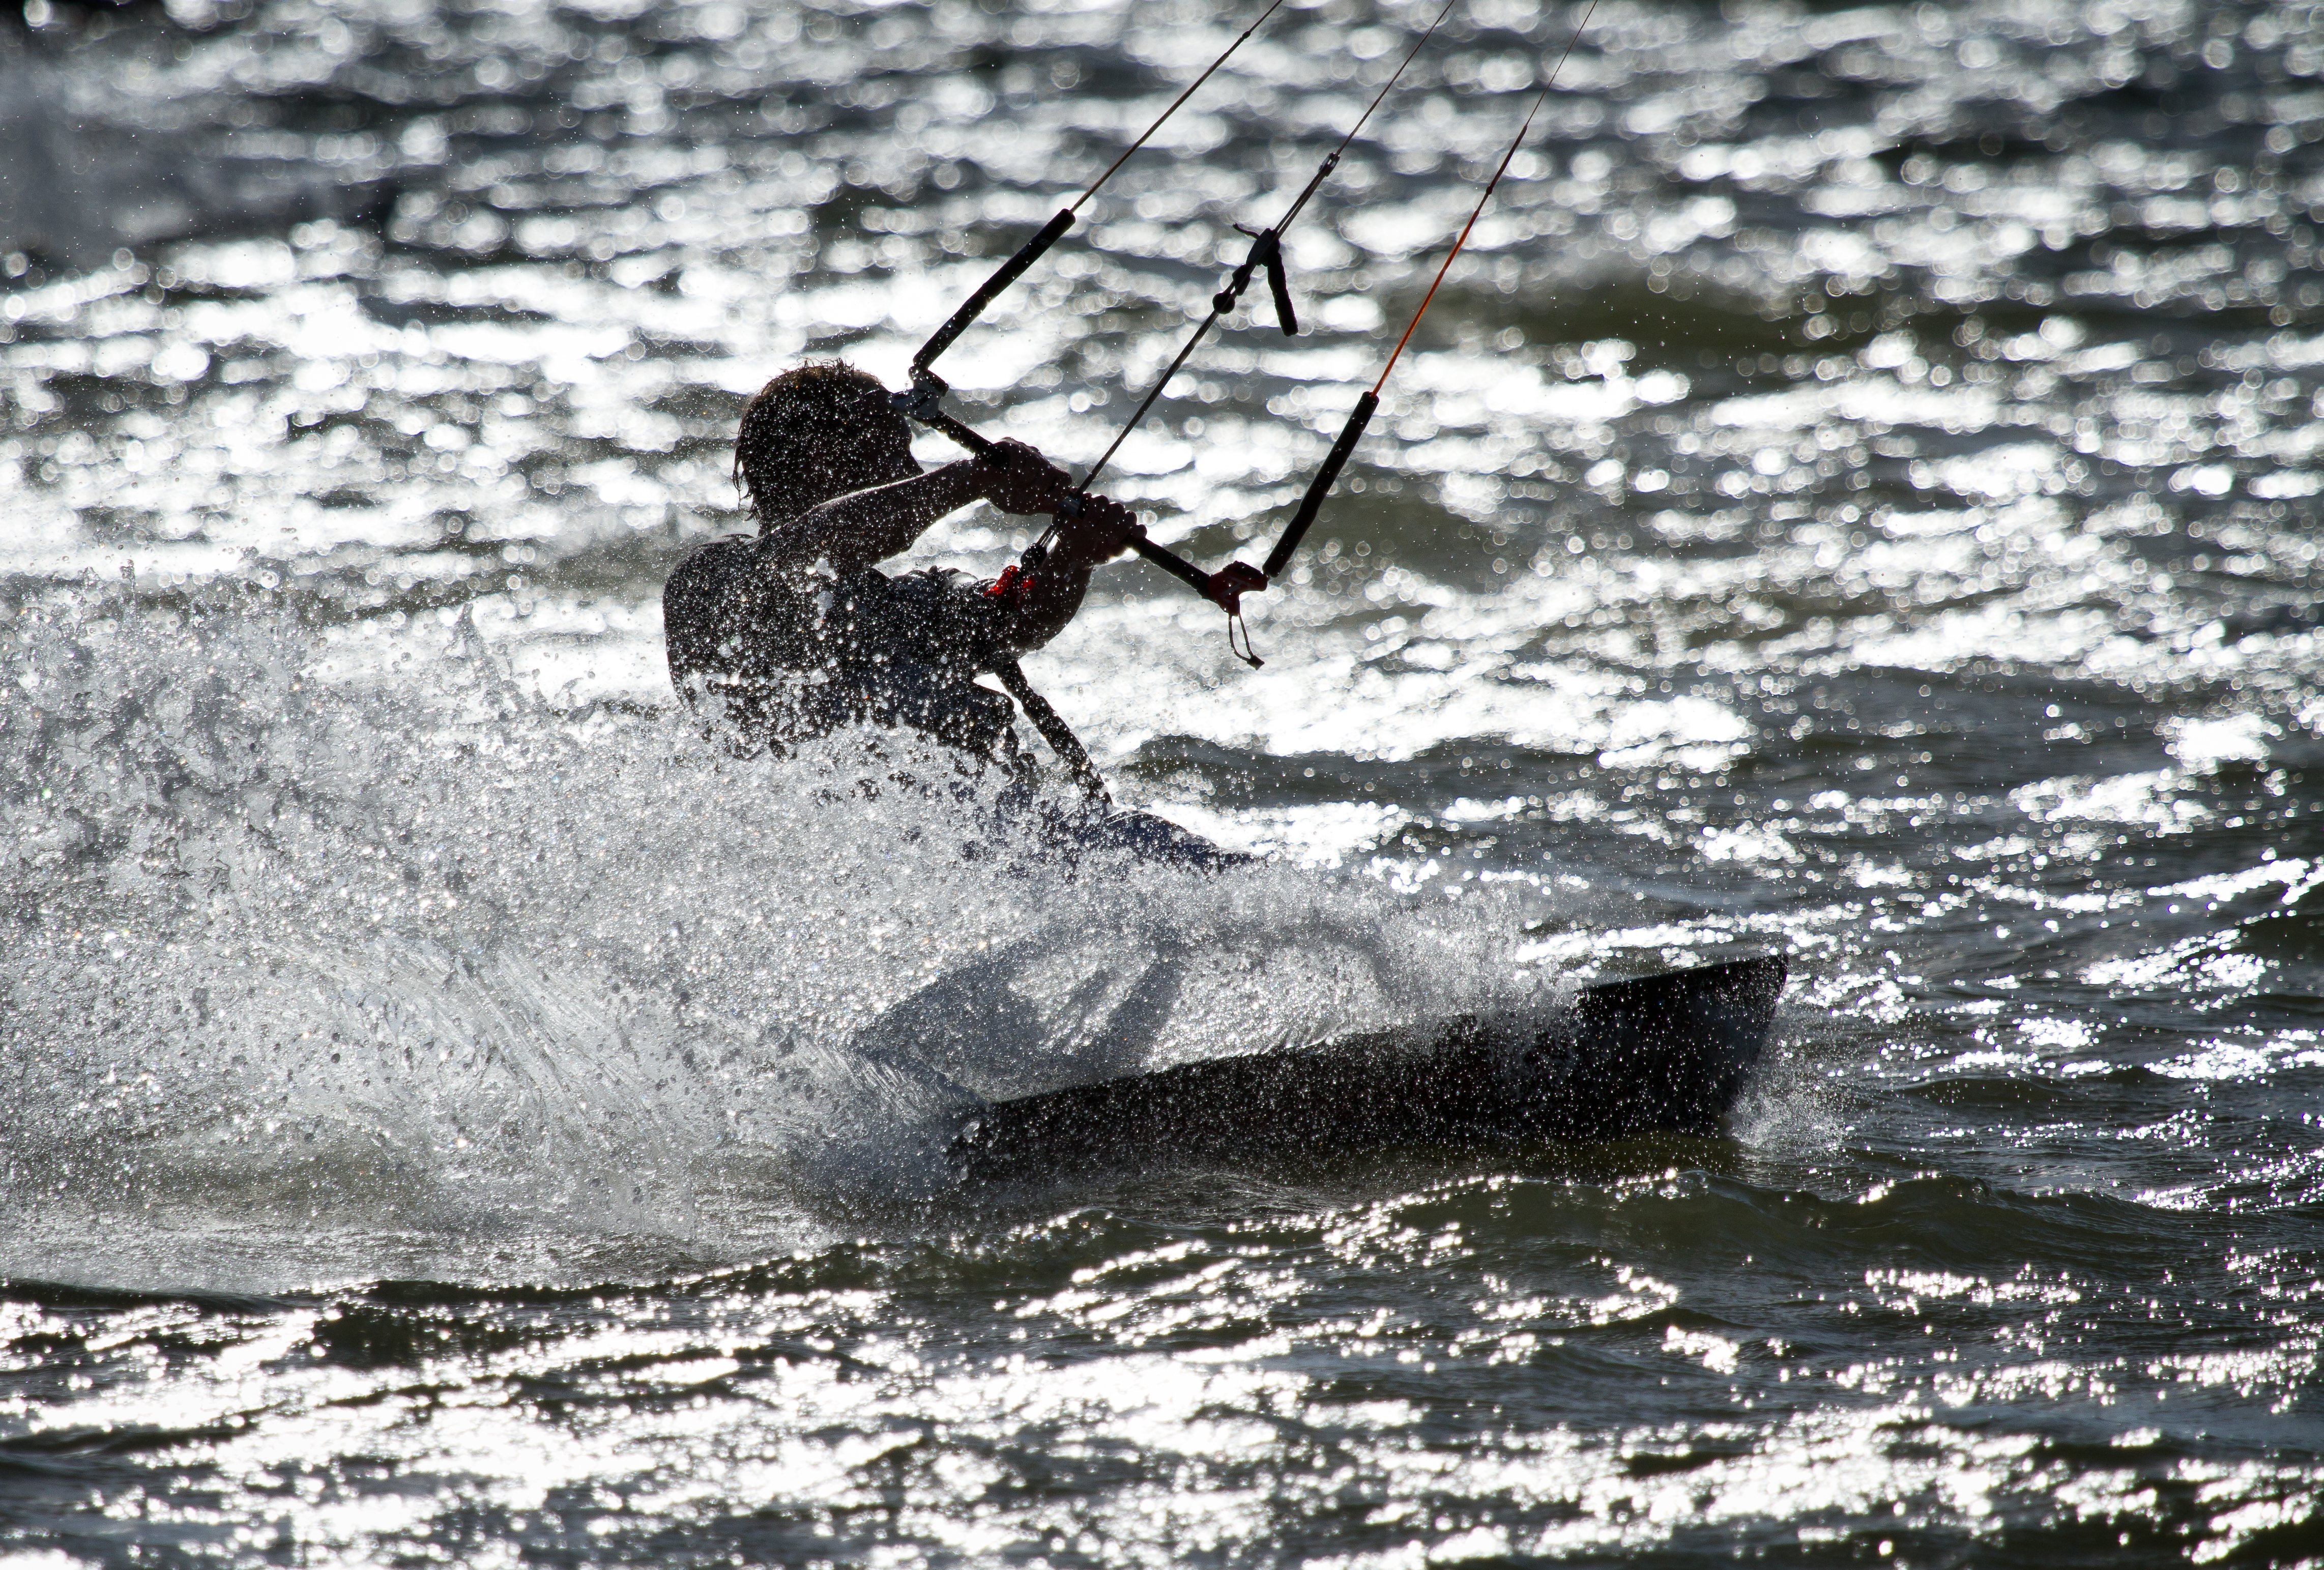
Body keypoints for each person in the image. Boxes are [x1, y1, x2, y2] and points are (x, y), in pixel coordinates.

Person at [663, 361, 1240, 868]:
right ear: (823, 459)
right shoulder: (715, 584)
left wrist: (1074, 556)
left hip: (988, 853)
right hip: (848, 865)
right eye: (893, 447)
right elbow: (819, 541)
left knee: (1164, 850)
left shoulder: (898, 604)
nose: (912, 464)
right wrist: (976, 478)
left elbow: (1014, 622)